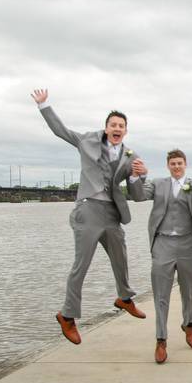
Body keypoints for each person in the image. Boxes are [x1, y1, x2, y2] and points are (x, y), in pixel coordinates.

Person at [30, 88, 147, 346]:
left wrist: (139, 175)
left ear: (125, 131)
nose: (117, 128)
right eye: (113, 124)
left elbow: (138, 195)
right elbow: (61, 131)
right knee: (81, 265)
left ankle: (124, 298)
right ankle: (67, 315)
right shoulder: (87, 141)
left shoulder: (131, 156)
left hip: (112, 214)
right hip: (89, 210)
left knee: (121, 255)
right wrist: (44, 105)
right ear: (106, 128)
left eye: (122, 126)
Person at [129, 149, 192, 363]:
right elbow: (138, 195)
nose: (177, 167)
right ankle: (161, 339)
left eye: (180, 163)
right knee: (161, 295)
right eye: (173, 164)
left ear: (185, 164)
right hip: (162, 243)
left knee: (188, 291)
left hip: (186, 244)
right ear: (168, 166)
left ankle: (190, 326)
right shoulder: (158, 184)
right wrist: (140, 176)